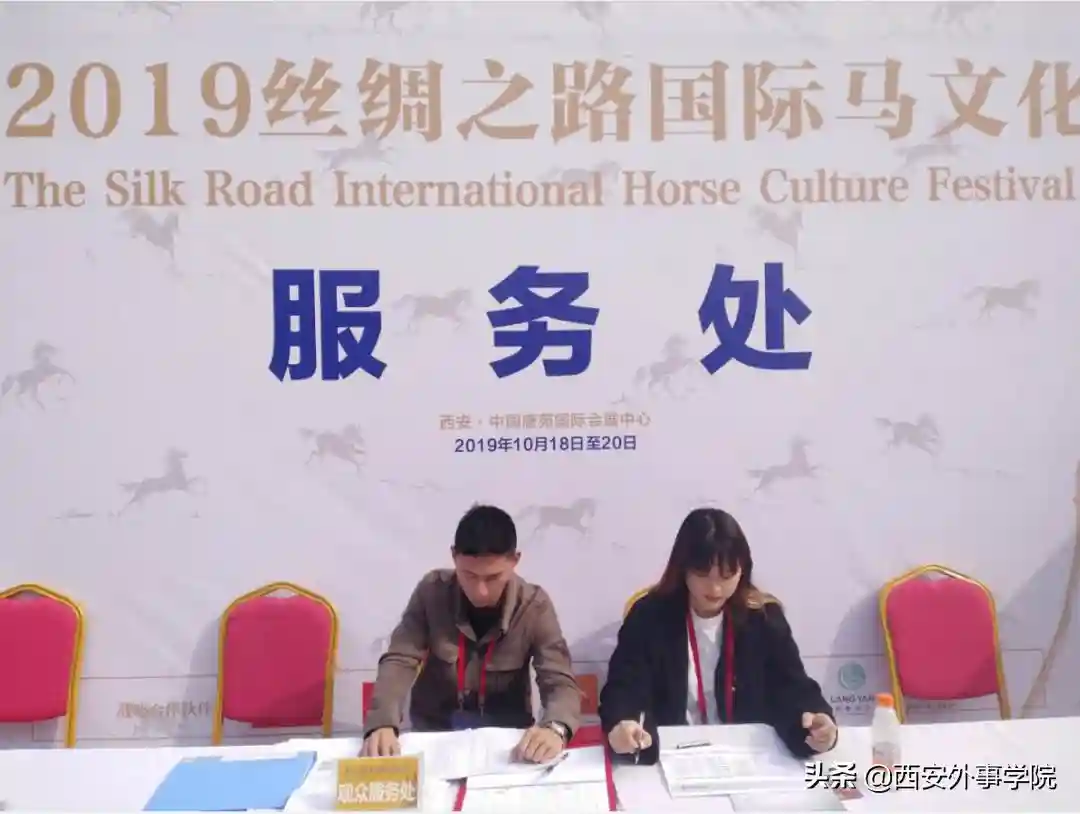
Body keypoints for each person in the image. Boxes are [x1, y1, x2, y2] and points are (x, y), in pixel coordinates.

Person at [599, 507, 837, 764]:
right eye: (703, 575)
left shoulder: (763, 618)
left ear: (743, 571)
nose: (715, 589)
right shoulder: (649, 615)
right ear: (683, 569)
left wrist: (815, 722)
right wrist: (624, 723)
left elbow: (792, 687)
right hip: (672, 755)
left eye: (727, 576)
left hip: (748, 757)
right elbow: (624, 688)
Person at [361, 504, 582, 763]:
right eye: (469, 575)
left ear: (515, 560)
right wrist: (382, 723)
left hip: (506, 743)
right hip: (436, 734)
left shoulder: (534, 606)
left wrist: (555, 728)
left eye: (493, 577)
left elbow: (558, 680)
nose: (481, 591)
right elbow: (400, 659)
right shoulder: (431, 592)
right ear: (453, 557)